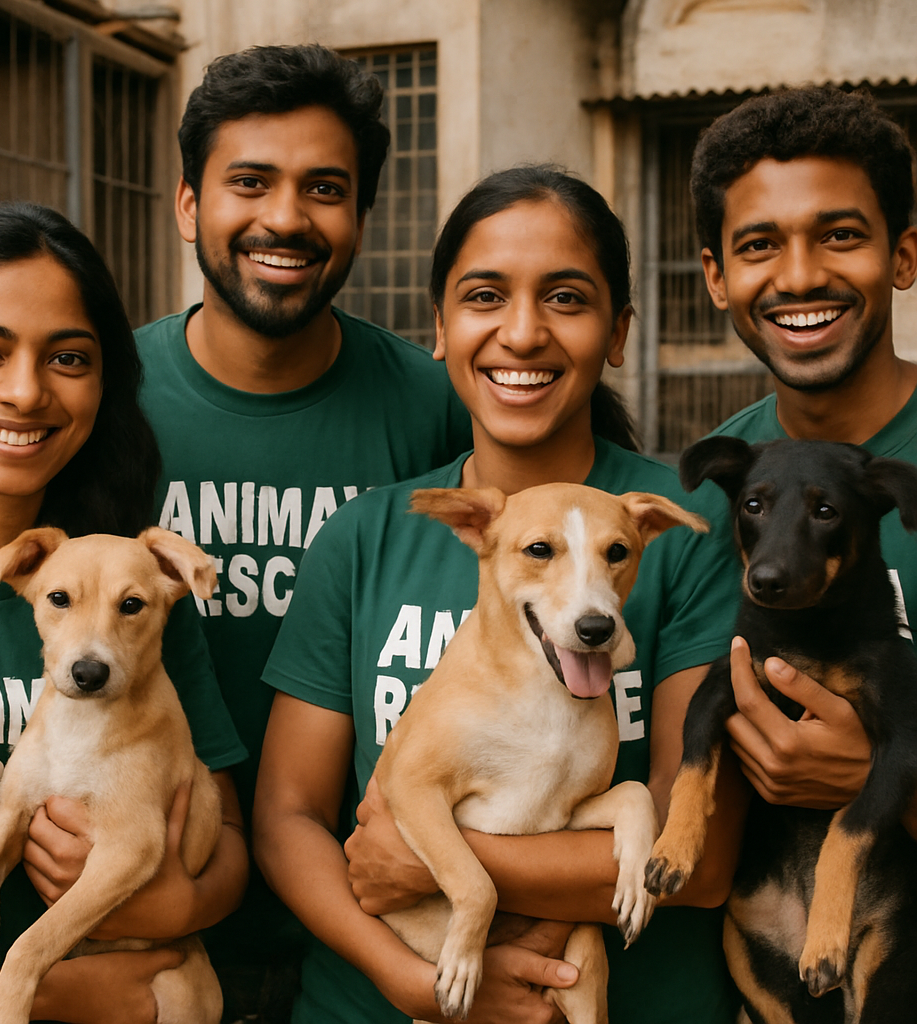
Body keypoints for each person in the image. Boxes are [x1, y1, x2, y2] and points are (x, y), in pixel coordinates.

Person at [254, 165, 747, 1024]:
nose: (522, 334)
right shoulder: (367, 537)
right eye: (485, 297)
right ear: (440, 328)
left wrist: (445, 863)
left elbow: (694, 859)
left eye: (566, 298)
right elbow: (287, 818)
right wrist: (411, 979)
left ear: (619, 330)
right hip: (382, 998)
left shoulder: (686, 537)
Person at [131, 43, 472, 1017]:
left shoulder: (436, 407)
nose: (285, 216)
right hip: (157, 931)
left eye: (324, 187)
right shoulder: (99, 398)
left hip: (386, 923)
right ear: (190, 204)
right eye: (249, 182)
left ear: (362, 216)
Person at [0, 202, 249, 1022]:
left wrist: (175, 908)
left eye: (68, 358)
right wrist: (55, 990)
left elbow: (224, 839)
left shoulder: (138, 593)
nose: (22, 391)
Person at [689, 86, 917, 813]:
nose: (798, 276)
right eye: (759, 246)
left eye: (840, 235)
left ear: (903, 256)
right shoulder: (716, 494)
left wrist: (879, 790)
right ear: (718, 279)